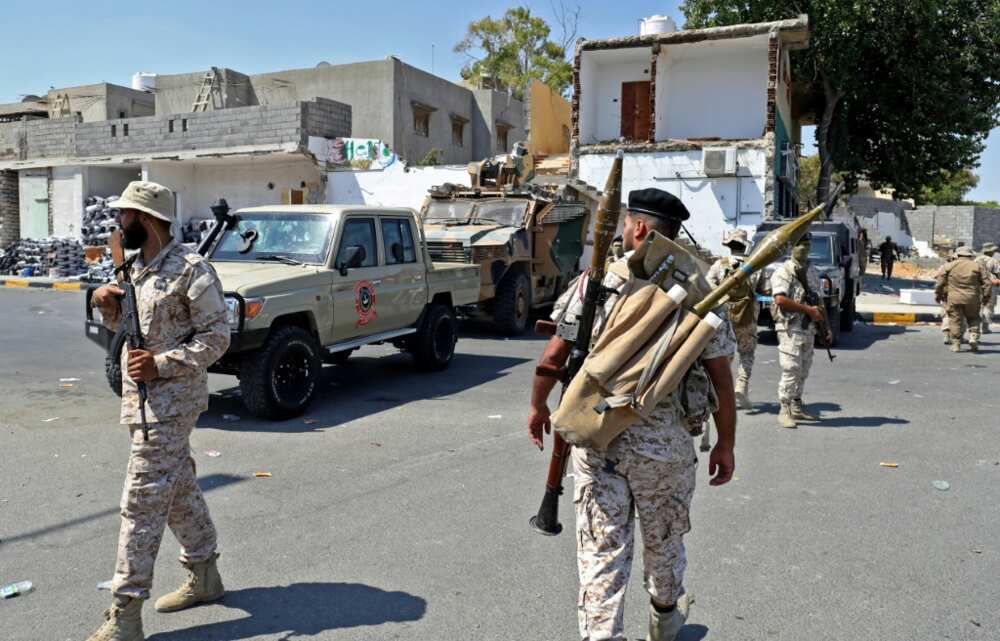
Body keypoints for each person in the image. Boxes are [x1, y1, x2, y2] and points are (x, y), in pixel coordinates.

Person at [528, 188, 737, 641]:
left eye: (625, 223)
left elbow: (554, 355)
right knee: (664, 541)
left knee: (602, 552)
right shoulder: (703, 291)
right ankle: (664, 617)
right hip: (664, 448)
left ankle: (603, 635)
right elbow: (721, 378)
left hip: (597, 437)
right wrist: (726, 443)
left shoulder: (596, 281)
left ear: (640, 228)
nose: (622, 231)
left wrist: (537, 406)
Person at [87, 181, 231, 641]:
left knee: (141, 502)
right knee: (178, 490)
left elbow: (216, 337)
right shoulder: (134, 267)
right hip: (142, 402)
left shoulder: (191, 269)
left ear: (145, 219)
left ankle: (125, 612)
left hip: (172, 403)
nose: (117, 224)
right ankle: (205, 573)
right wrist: (105, 305)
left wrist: (162, 364)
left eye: (123, 216)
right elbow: (131, 331)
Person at [770, 233, 833, 429]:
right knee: (791, 368)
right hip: (790, 327)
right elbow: (780, 300)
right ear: (791, 248)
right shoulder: (784, 272)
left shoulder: (812, 271)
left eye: (807, 245)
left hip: (809, 328)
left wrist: (827, 328)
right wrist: (807, 310)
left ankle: (797, 406)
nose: (804, 249)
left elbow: (819, 302)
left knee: (803, 370)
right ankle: (784, 409)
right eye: (800, 245)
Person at [707, 229, 764, 409]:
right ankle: (741, 385)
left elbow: (708, 286)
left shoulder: (719, 265)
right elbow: (763, 289)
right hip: (747, 318)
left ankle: (720, 393)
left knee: (724, 355)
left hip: (724, 317)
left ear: (729, 245)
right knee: (747, 354)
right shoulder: (755, 266)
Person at [936, 245, 991, 353]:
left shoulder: (949, 266)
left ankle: (956, 344)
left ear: (957, 255)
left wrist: (938, 295)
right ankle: (973, 337)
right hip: (972, 298)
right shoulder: (977, 266)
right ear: (970, 255)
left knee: (955, 320)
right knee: (973, 318)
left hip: (954, 298)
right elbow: (987, 283)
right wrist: (986, 297)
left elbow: (940, 282)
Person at [974, 242, 1000, 333]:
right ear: (990, 251)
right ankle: (984, 327)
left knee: (978, 306)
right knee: (989, 306)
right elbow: (998, 273)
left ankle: (976, 326)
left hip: (977, 285)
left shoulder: (976, 260)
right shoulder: (993, 261)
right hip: (990, 286)